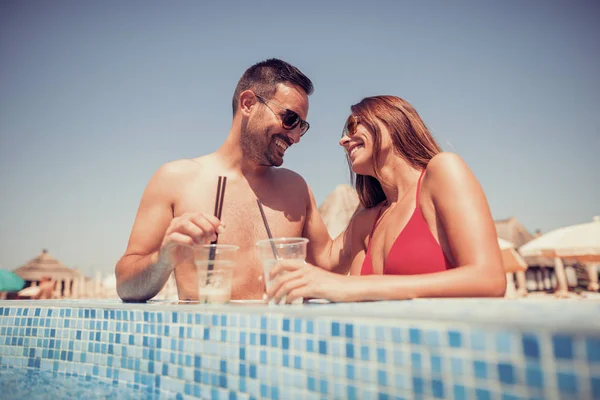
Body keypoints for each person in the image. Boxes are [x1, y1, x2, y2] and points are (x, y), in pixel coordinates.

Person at [115, 59, 343, 302]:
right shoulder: (175, 180)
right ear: (248, 104)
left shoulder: (296, 188)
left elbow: (330, 265)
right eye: (290, 119)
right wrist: (164, 258)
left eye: (302, 126)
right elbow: (126, 288)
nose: (296, 137)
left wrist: (375, 201)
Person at [267, 95, 506, 303]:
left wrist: (349, 287)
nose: (343, 141)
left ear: (390, 122)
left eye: (351, 126)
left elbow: (489, 279)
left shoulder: (442, 172)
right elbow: (332, 270)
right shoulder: (366, 220)